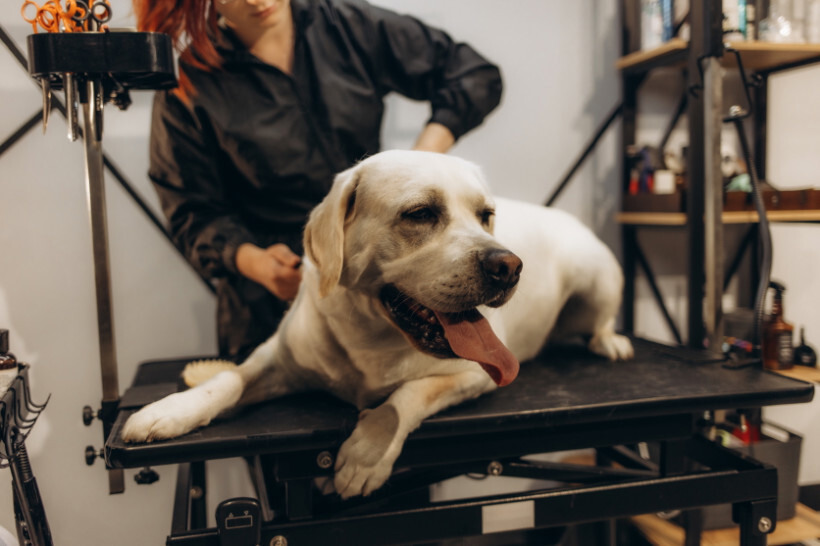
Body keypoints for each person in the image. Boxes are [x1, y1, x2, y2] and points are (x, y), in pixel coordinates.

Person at [133, 0, 503, 360]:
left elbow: (472, 73)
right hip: (268, 303)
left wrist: (424, 159)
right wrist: (256, 264)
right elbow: (191, 211)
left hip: (368, 290)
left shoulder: (349, 27)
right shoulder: (189, 85)